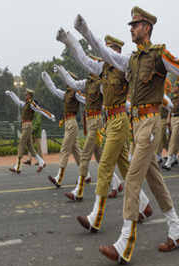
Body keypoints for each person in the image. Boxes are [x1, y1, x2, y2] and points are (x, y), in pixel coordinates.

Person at [73, 6, 179, 263]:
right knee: (154, 179)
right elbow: (103, 53)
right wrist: (85, 32)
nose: (131, 29)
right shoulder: (131, 60)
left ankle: (125, 243)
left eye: (135, 25)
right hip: (137, 125)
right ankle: (176, 229)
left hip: (151, 123)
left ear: (147, 27)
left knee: (133, 178)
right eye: (131, 25)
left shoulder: (159, 56)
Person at [57, 30, 154, 231]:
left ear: (117, 51)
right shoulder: (104, 70)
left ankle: (96, 217)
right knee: (127, 168)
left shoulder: (125, 65)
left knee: (104, 167)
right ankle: (144, 205)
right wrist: (70, 42)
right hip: (109, 121)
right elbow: (84, 59)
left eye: (110, 49)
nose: (106, 52)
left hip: (119, 121)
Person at [54, 64, 124, 199]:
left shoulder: (100, 83)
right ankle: (116, 183)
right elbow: (73, 83)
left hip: (96, 122)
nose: (88, 66)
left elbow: (111, 98)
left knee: (85, 155)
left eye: (92, 65)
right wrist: (62, 72)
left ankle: (78, 191)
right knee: (100, 157)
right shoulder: (87, 83)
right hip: (90, 120)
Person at [41, 72, 83, 188]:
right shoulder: (66, 94)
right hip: (68, 123)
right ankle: (86, 174)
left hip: (72, 123)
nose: (66, 80)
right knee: (77, 152)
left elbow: (87, 101)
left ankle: (59, 178)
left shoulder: (75, 93)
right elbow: (54, 89)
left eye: (68, 78)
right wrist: (46, 78)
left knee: (65, 149)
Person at [5, 89, 55, 174]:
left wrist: (50, 116)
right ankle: (42, 162)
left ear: (30, 96)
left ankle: (17, 167)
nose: (25, 96)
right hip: (25, 126)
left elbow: (40, 110)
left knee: (21, 143)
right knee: (30, 147)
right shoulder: (26, 104)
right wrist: (11, 94)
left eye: (26, 95)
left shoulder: (32, 104)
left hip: (28, 126)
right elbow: (18, 102)